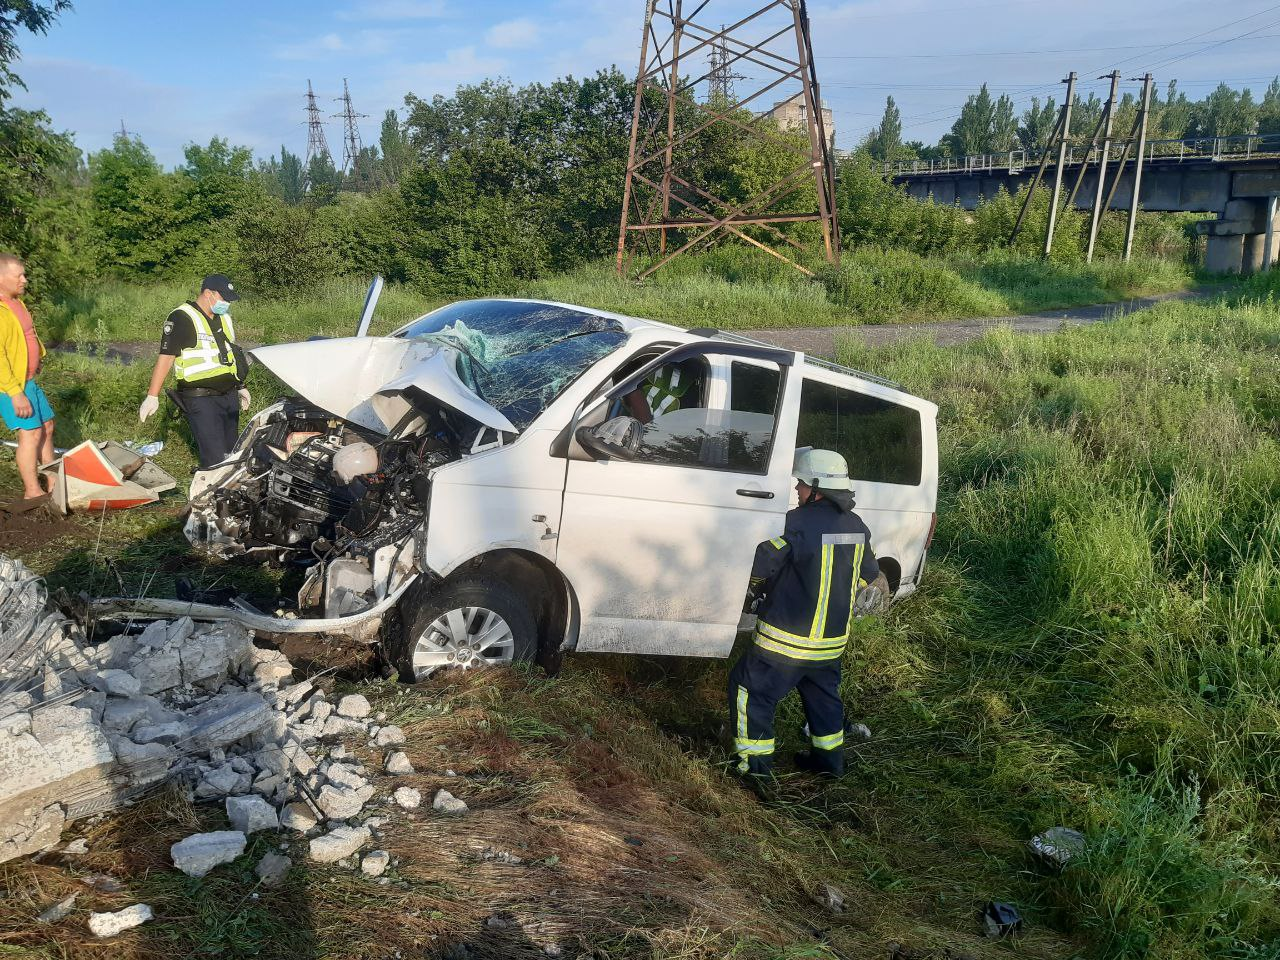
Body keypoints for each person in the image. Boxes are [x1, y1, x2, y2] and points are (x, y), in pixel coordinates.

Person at [727, 448, 885, 782]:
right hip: (830, 646)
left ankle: (754, 770)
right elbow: (868, 574)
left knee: (750, 691)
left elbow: (763, 560)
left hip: (785, 643)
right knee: (824, 701)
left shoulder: (793, 523)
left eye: (801, 484)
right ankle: (830, 764)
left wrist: (752, 592)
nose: (797, 490)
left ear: (817, 488)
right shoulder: (858, 527)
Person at [139, 274, 250, 469]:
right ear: (208, 293)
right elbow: (166, 358)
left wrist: (240, 386)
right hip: (201, 398)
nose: (227, 304)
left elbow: (229, 355)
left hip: (229, 395)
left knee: (233, 454)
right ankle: (209, 495)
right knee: (216, 459)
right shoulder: (182, 317)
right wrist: (152, 395)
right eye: (223, 298)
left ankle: (231, 493)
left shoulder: (224, 318)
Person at [0, 254, 56, 500]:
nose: (25, 280)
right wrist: (15, 393)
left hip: (29, 381)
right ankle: (32, 491)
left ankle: (53, 482)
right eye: (19, 276)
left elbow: (27, 335)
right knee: (30, 434)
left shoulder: (17, 303)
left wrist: (38, 355)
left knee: (47, 426)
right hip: (11, 387)